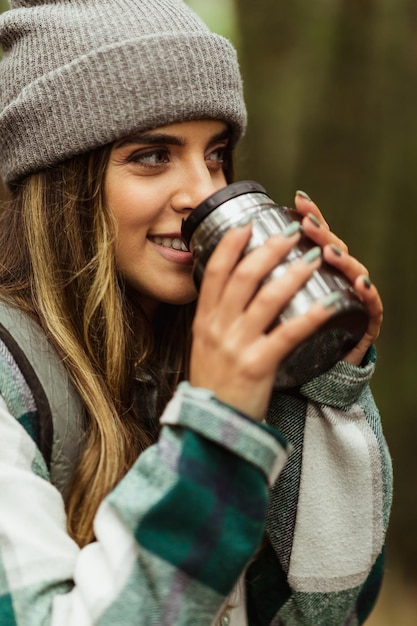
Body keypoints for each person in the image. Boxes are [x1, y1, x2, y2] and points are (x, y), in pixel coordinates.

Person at [0, 1, 392, 625]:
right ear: (62, 183)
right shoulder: (11, 387)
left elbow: (321, 609)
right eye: (153, 155)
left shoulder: (188, 356)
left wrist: (319, 389)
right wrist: (216, 432)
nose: (203, 194)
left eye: (215, 155)